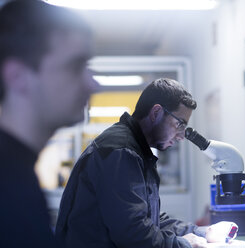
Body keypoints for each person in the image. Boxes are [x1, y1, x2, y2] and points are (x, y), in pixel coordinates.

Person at [56, 78, 233, 248]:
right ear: (156, 113)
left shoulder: (135, 150)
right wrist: (183, 244)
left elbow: (149, 219)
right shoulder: (122, 152)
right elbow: (133, 234)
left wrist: (201, 232)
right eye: (179, 124)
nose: (181, 136)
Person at [0, 1, 97, 247]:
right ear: (18, 77)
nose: (93, 84)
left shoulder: (19, 173)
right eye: (75, 66)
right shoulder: (8, 186)